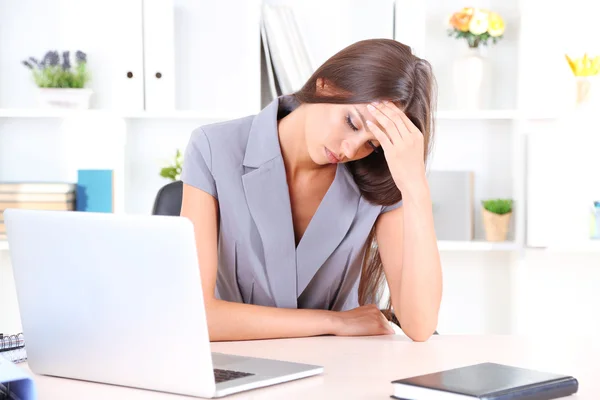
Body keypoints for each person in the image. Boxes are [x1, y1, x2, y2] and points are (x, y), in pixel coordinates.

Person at [180, 38, 442, 343]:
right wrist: (334, 322)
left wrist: (416, 188)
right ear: (325, 85)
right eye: (352, 123)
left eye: (372, 144)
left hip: (341, 368)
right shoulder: (214, 147)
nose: (350, 149)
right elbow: (196, 315)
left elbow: (420, 325)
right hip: (240, 361)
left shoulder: (379, 179)